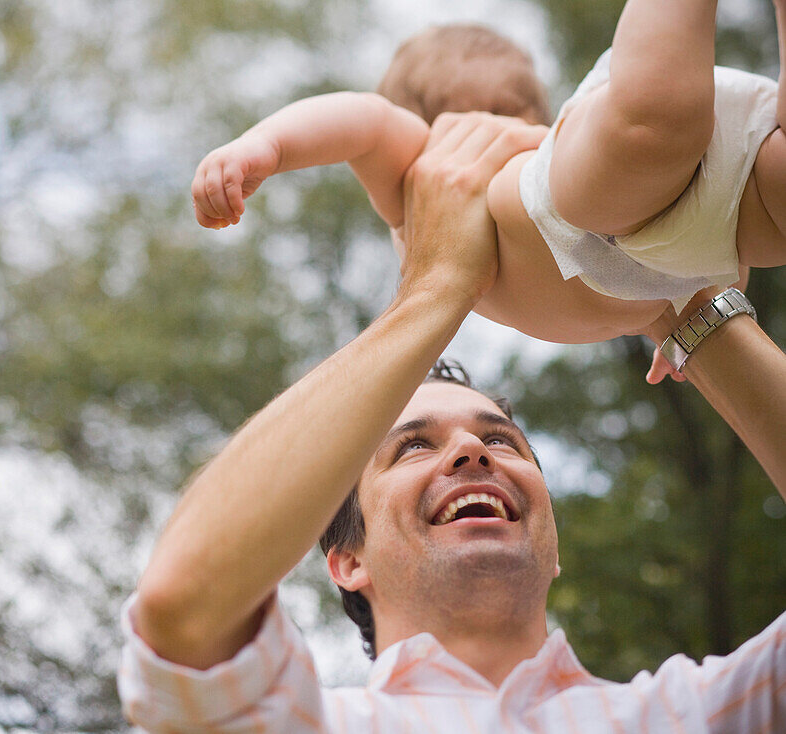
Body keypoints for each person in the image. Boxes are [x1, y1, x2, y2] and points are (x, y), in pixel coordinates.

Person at [119, 112, 786, 731]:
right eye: (411, 448)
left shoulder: (694, 715)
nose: (472, 450)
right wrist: (435, 286)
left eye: (502, 439)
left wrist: (678, 294)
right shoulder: (313, 721)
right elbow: (185, 609)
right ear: (347, 561)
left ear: (555, 544)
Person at [190, 1, 786, 361]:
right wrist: (690, 321)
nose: (504, 130)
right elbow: (365, 120)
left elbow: (363, 121)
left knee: (652, 133)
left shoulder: (553, 169)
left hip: (626, 172)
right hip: (704, 234)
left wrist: (261, 147)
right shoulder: (420, 176)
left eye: (520, 111)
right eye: (475, 110)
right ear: (422, 122)